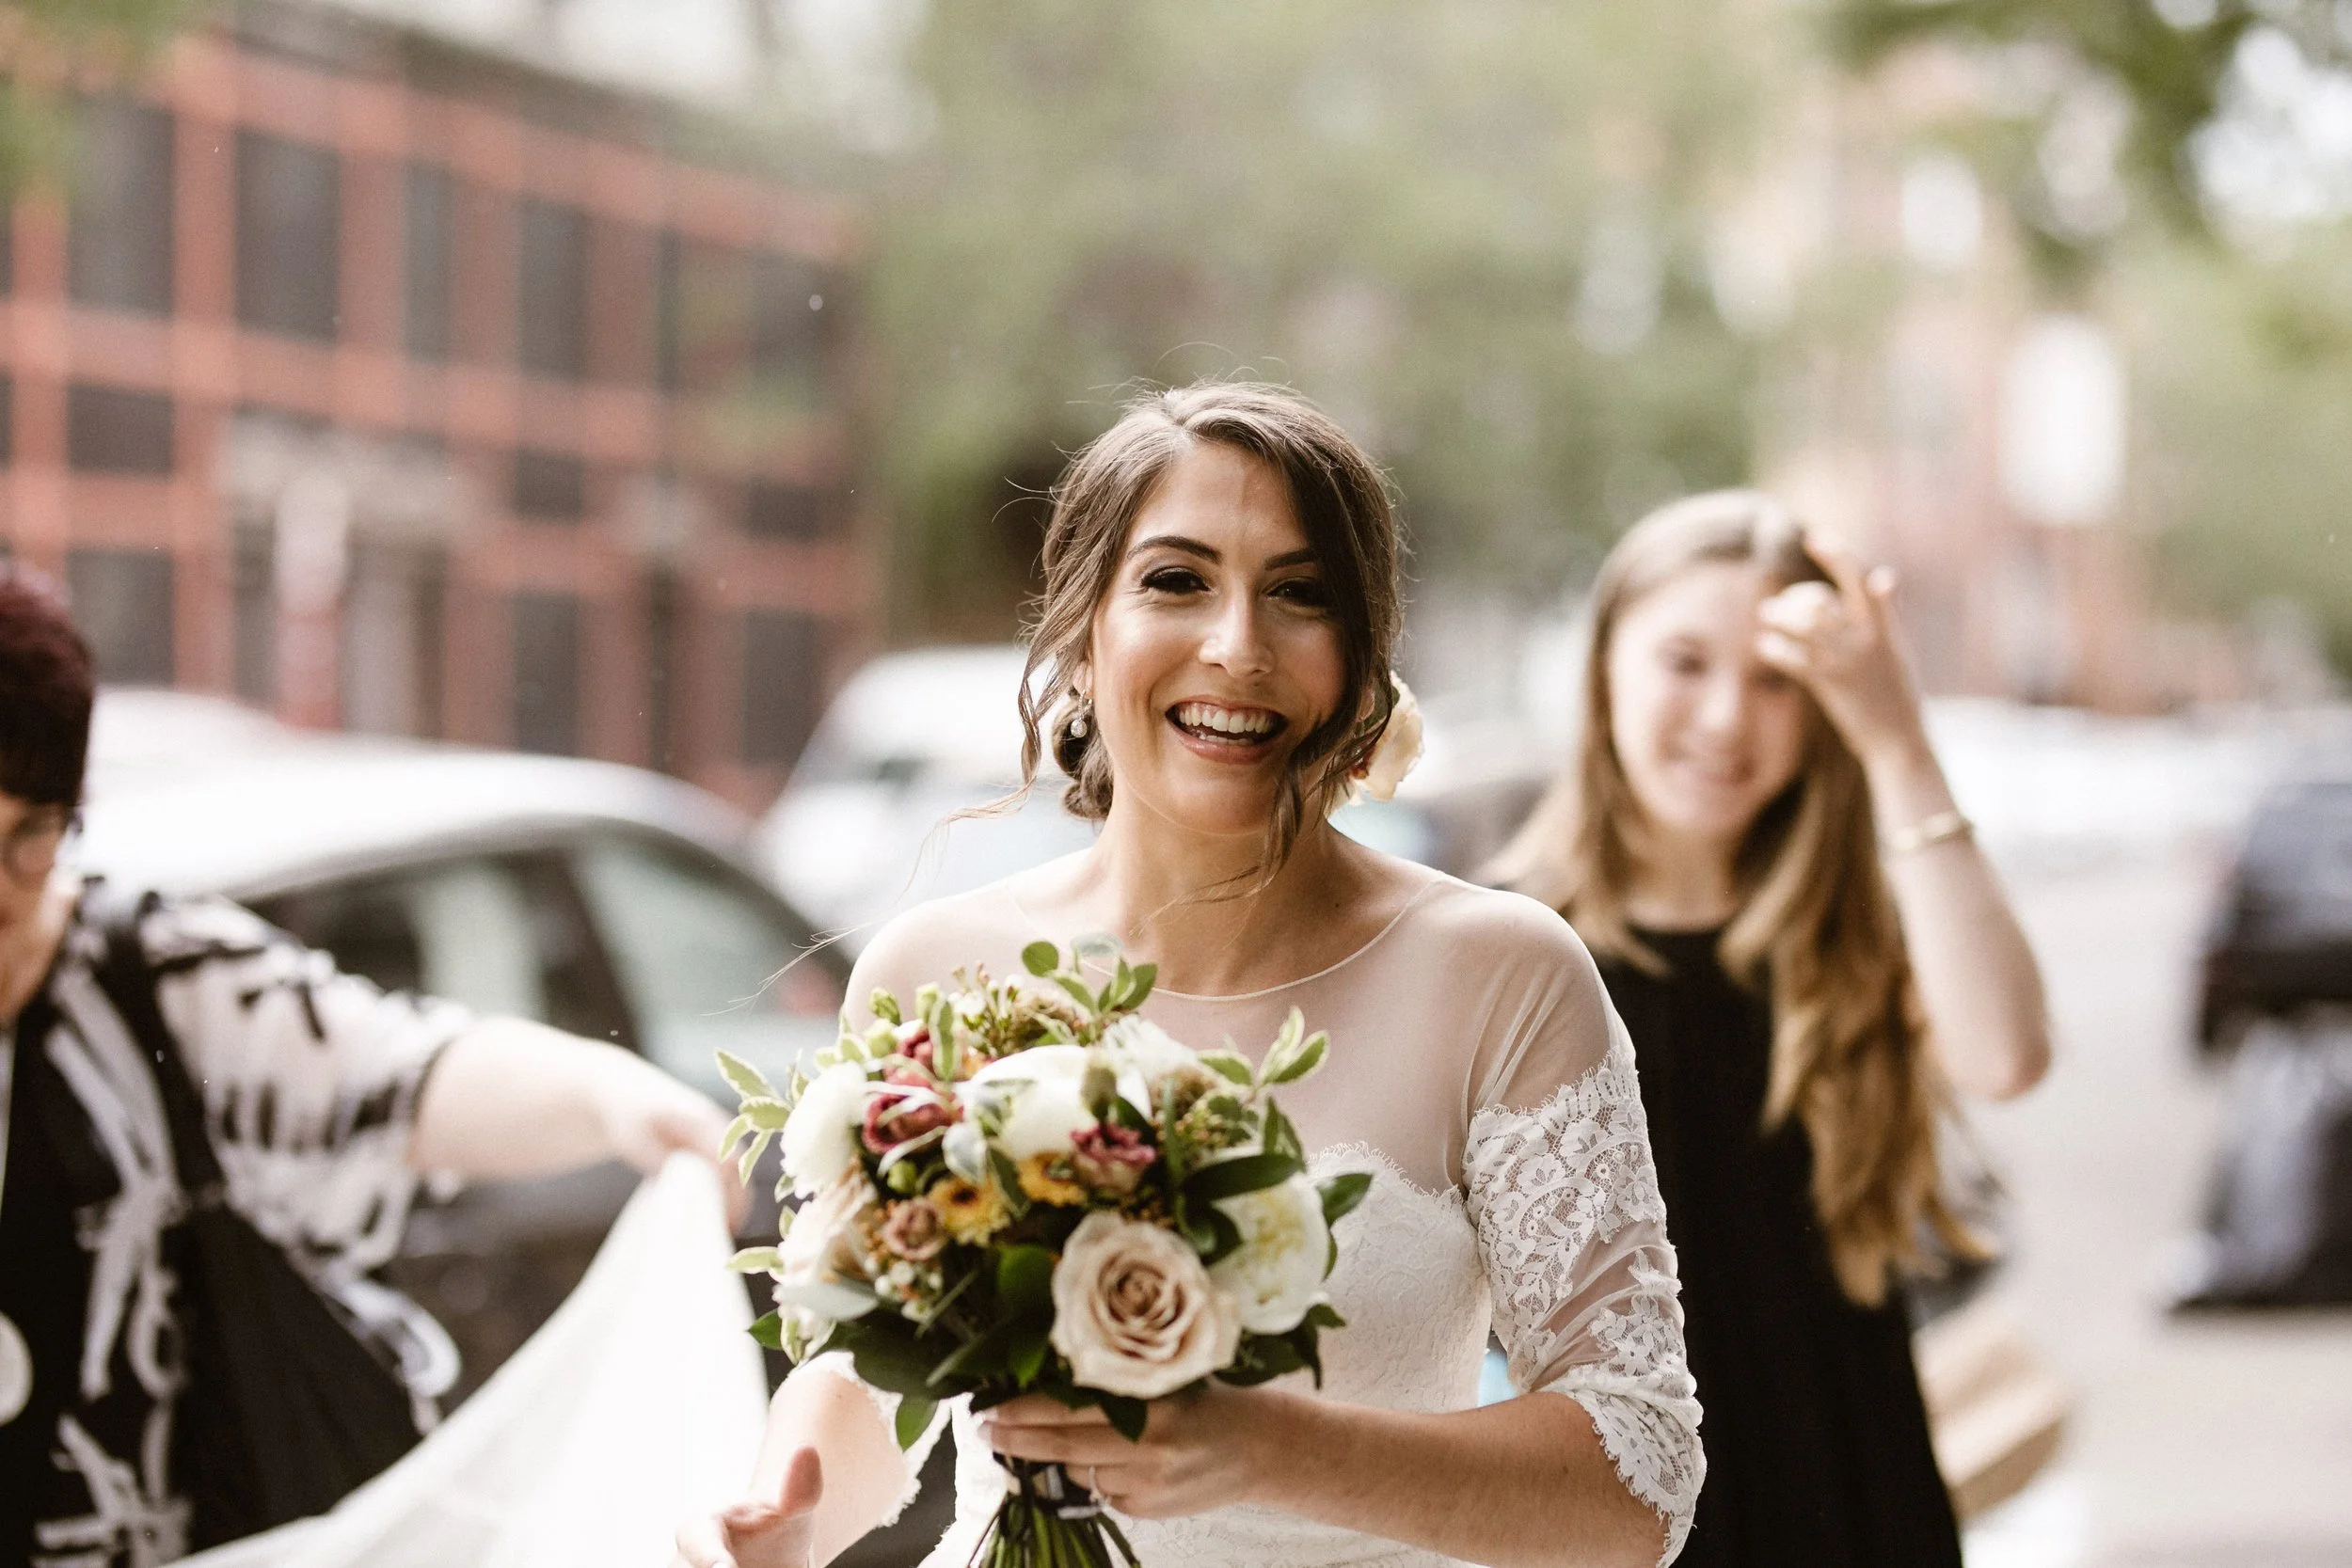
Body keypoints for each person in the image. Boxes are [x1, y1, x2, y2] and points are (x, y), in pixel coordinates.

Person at [675, 383, 1704, 1568]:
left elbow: (1638, 1478)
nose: (1237, 646)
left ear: (1363, 655)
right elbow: (867, 1366)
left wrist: (1271, 1447)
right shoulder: (932, 966)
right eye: (1176, 581)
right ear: (1081, 629)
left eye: (1300, 593)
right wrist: (785, 1511)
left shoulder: (1501, 976)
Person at [0, 567, 743, 1568]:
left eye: (32, 833)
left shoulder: (153, 977)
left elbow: (405, 1074)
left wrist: (619, 1101)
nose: (3, 887)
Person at [1489, 490, 2052, 1566]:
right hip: (1606, 1519)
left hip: (1852, 1487)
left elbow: (2007, 1054)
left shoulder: (1850, 932)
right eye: (1685, 662)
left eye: (1775, 680)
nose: (1725, 719)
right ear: (1604, 664)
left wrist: (1896, 741)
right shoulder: (1501, 942)